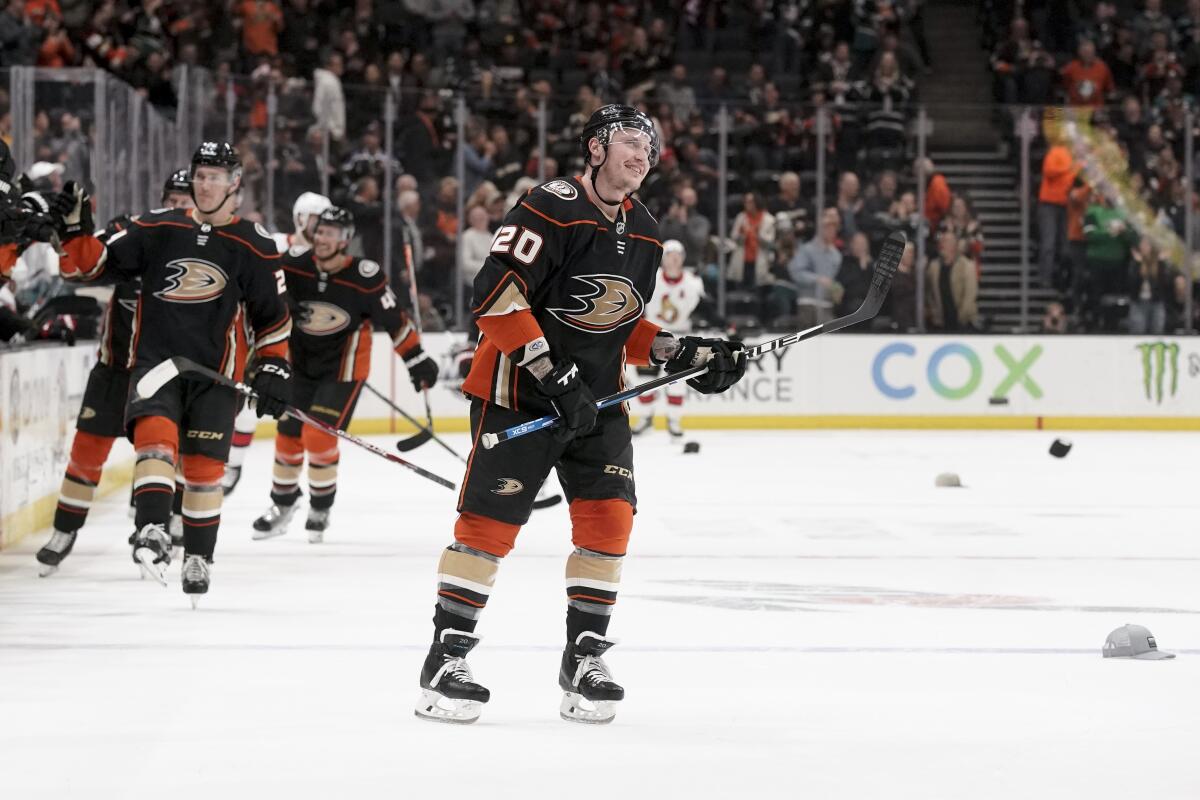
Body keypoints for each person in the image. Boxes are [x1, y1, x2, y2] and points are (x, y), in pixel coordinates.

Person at [413, 105, 747, 725]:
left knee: (610, 522)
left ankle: (584, 654)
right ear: (595, 148)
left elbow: (622, 324)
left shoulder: (645, 230)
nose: (642, 154)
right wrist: (550, 372)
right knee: (488, 529)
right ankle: (444, 657)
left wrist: (684, 352)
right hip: (521, 394)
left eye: (649, 146)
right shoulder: (550, 205)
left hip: (595, 402)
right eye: (628, 141)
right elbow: (493, 292)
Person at [58, 142, 293, 604]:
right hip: (156, 367)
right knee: (155, 442)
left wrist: (273, 366)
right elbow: (91, 266)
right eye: (199, 175)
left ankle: (198, 555)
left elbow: (273, 319)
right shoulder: (156, 227)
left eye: (215, 177)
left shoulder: (255, 243)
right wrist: (74, 231)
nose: (205, 184)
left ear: (235, 185)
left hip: (216, 375)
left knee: (205, 473)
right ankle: (150, 529)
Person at [35, 169, 195, 575]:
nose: (178, 206)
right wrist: (70, 238)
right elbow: (78, 270)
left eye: (186, 199)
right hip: (115, 368)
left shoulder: (205, 246)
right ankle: (64, 530)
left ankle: (167, 523)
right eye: (172, 198)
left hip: (164, 373)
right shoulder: (132, 231)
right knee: (86, 453)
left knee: (165, 455)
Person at [251, 207, 437, 542]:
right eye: (320, 231)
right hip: (299, 367)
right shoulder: (295, 264)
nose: (322, 239)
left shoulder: (364, 276)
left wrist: (417, 358)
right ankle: (282, 505)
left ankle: (320, 507)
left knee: (318, 436)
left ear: (346, 240)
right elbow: (264, 296)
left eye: (331, 233)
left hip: (343, 372)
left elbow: (395, 320)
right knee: (289, 435)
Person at [223, 190, 333, 496]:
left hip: (300, 347)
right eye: (316, 219)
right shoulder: (274, 244)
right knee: (246, 400)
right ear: (300, 218)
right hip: (264, 337)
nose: (321, 227)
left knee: (281, 415)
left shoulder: (327, 258)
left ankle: (285, 489)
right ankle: (232, 463)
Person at [630, 239, 705, 438]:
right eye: (669, 255)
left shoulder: (692, 283)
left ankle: (674, 420)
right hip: (652, 336)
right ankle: (646, 417)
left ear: (682, 259)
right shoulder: (651, 278)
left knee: (677, 382)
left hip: (679, 336)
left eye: (677, 255)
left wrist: (728, 326)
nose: (674, 260)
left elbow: (706, 307)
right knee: (643, 381)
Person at [925, 229, 979, 331]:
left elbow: (970, 295)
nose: (941, 244)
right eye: (941, 241)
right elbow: (929, 293)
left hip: (963, 322)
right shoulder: (933, 266)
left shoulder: (967, 266)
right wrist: (934, 313)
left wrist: (961, 318)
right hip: (941, 322)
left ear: (954, 245)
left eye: (945, 241)